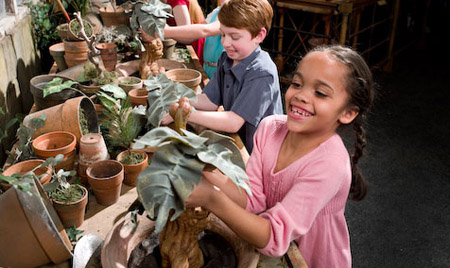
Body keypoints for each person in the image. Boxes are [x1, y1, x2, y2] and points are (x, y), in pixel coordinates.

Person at [185, 45, 375, 268]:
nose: (301, 96)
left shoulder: (329, 163)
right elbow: (254, 198)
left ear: (348, 113)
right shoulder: (269, 129)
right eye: (297, 84)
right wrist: (207, 171)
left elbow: (274, 236)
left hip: (312, 260)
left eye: (320, 93)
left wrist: (211, 198)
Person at [163, 0, 283, 154]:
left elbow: (233, 122)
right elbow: (210, 101)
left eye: (234, 37)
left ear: (259, 36)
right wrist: (178, 100)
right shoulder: (227, 59)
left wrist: (186, 114)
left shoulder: (262, 73)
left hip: (261, 153)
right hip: (237, 142)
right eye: (223, 34)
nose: (225, 43)